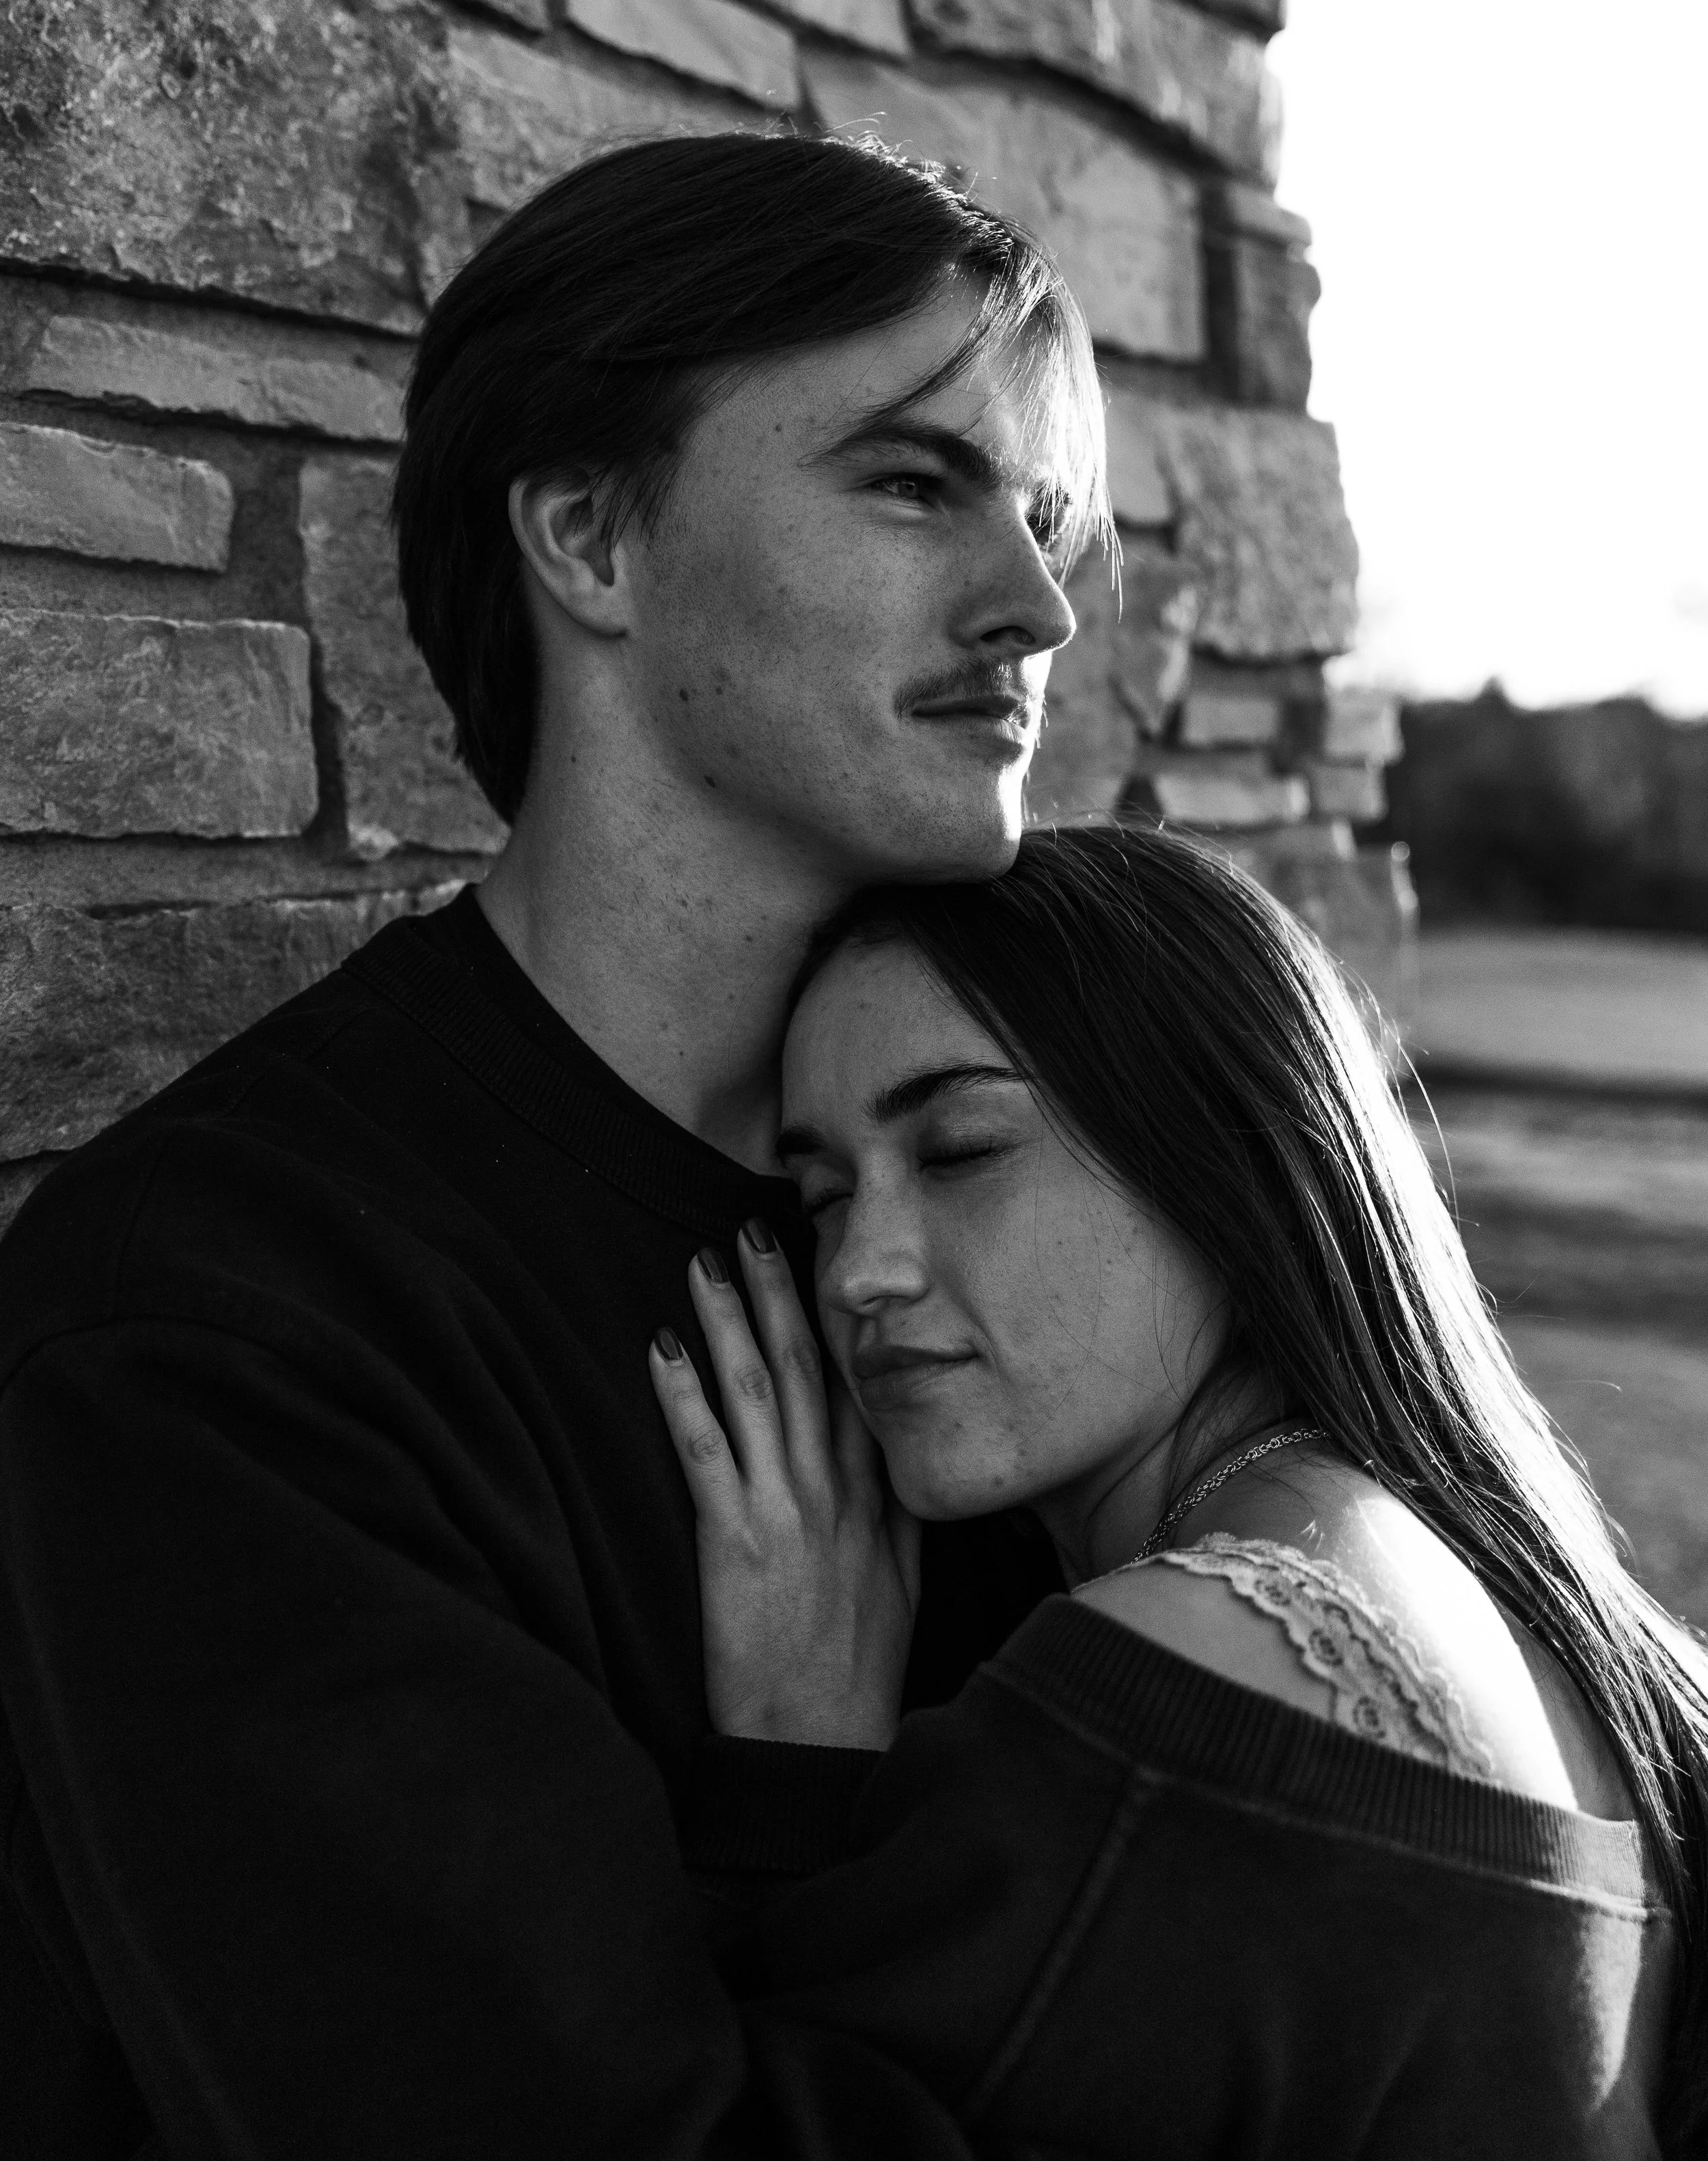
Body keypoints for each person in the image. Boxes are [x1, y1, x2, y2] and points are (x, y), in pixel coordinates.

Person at [0, 132, 1103, 2158]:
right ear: (589, 539)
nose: (1033, 603)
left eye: (1037, 514)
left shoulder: (1049, 1191)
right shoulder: (219, 1337)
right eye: (909, 483)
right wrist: (792, 1816)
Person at [652, 825, 1708, 2158]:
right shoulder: (1480, 1588)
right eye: (818, 1195)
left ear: (1222, 1156)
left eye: (960, 1148)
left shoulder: (1184, 1699)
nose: (860, 1267)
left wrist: (790, 1781)